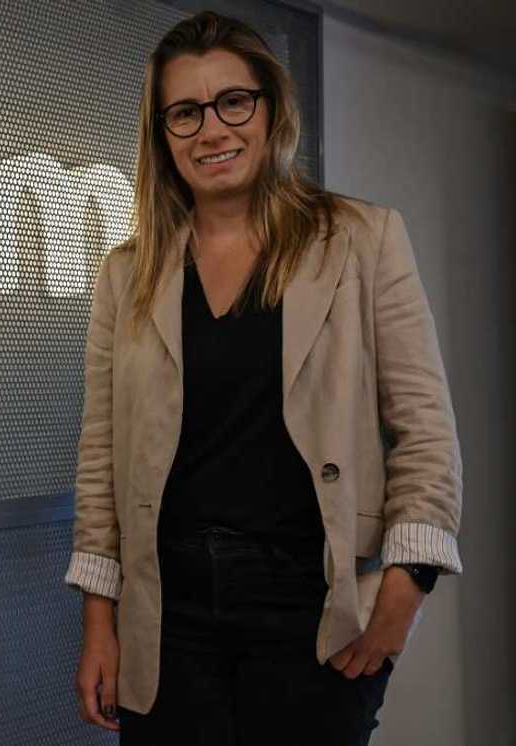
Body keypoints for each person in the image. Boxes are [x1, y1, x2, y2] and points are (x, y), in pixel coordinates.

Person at [64, 10, 463, 745]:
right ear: (162, 134)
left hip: (309, 609)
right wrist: (100, 622)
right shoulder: (129, 274)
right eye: (185, 112)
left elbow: (426, 432)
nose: (212, 130)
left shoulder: (361, 240)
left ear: (271, 111)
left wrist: (405, 593)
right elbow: (100, 462)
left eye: (233, 102)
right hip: (168, 616)